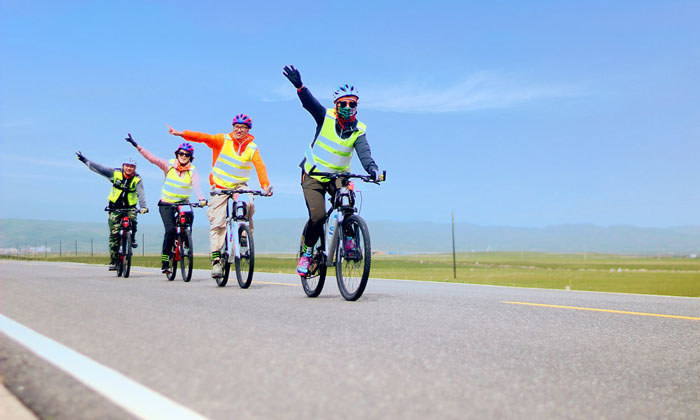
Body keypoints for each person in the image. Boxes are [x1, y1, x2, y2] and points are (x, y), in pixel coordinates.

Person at [282, 65, 382, 277]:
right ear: (336, 105)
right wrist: (300, 87)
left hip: (339, 177)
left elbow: (365, 154)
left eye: (352, 103)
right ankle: (307, 254)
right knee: (317, 216)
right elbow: (310, 105)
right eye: (343, 103)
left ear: (356, 106)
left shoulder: (359, 129)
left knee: (347, 202)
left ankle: (349, 243)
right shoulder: (325, 116)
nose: (348, 106)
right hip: (314, 175)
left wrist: (372, 169)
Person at [167, 115, 273, 278]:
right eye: (236, 126)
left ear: (248, 130)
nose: (239, 130)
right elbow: (203, 138)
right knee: (218, 223)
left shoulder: (252, 147)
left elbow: (260, 165)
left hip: (239, 186)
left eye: (243, 127)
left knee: (249, 203)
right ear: (233, 127)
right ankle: (216, 261)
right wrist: (182, 134)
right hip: (219, 186)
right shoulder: (222, 140)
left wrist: (265, 185)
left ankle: (244, 235)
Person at [125, 134, 208, 273]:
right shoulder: (168, 165)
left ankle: (186, 240)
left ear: (190, 157)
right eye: (181, 153)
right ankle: (165, 260)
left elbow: (197, 185)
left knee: (189, 219)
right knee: (170, 231)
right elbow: (152, 158)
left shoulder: (192, 170)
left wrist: (201, 199)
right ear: (177, 154)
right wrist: (136, 145)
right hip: (166, 203)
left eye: (187, 155)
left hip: (183, 202)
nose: (183, 156)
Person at [75, 151, 148, 270]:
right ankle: (114, 261)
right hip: (114, 207)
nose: (129, 168)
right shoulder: (115, 173)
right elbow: (98, 168)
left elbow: (141, 193)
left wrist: (143, 207)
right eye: (127, 166)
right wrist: (84, 160)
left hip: (130, 207)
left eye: (132, 167)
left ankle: (132, 237)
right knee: (114, 235)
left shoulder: (137, 179)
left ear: (135, 168)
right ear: (123, 166)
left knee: (133, 221)